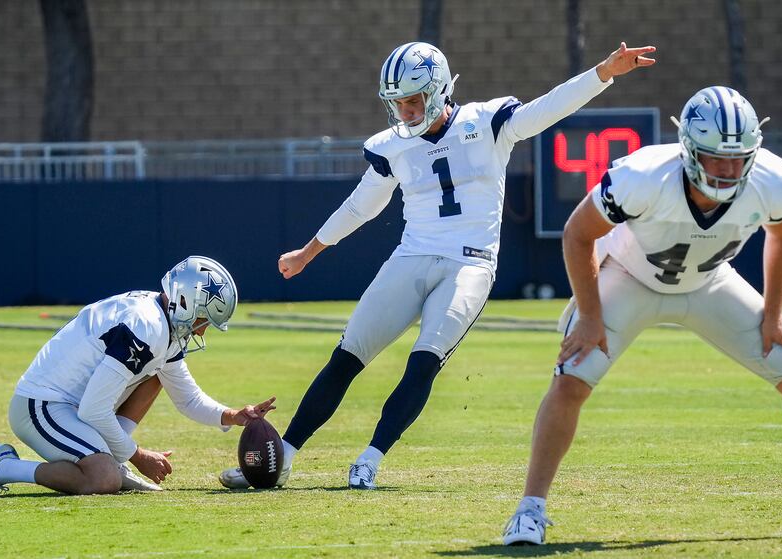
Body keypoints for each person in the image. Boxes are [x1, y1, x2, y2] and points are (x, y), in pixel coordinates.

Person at [218, 40, 656, 491]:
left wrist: (603, 72)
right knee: (346, 357)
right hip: (411, 257)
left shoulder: (488, 122)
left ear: (440, 89)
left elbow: (549, 108)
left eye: (412, 101)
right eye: (397, 104)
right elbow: (359, 207)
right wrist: (308, 252)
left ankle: (371, 457)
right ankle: (284, 456)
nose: (405, 112)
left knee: (422, 361)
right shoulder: (392, 147)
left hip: (469, 263)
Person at [501, 87, 782, 544]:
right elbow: (576, 234)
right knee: (571, 378)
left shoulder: (774, 180)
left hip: (708, 283)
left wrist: (775, 314)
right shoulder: (643, 175)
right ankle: (528, 512)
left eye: (738, 158)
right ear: (688, 149)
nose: (727, 170)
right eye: (715, 158)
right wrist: (590, 314)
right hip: (628, 276)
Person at [0, 256, 276, 496]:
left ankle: (110, 457)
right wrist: (137, 455)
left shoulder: (163, 322)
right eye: (204, 318)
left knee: (157, 375)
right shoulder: (146, 325)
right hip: (42, 404)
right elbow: (94, 409)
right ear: (184, 301)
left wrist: (235, 416)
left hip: (76, 406)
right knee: (102, 479)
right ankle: (2, 468)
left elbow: (187, 397)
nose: (204, 329)